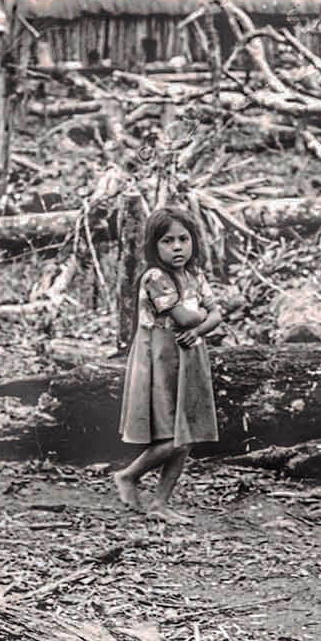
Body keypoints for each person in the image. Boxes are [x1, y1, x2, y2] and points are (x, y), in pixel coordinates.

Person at [113, 206, 222, 524]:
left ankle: (160, 503)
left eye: (183, 239)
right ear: (154, 246)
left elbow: (217, 315)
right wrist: (201, 319)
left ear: (193, 242)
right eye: (167, 241)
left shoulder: (195, 274)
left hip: (190, 356)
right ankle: (128, 476)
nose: (177, 247)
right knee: (171, 436)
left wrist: (199, 328)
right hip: (158, 359)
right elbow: (187, 316)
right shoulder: (155, 277)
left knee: (187, 436)